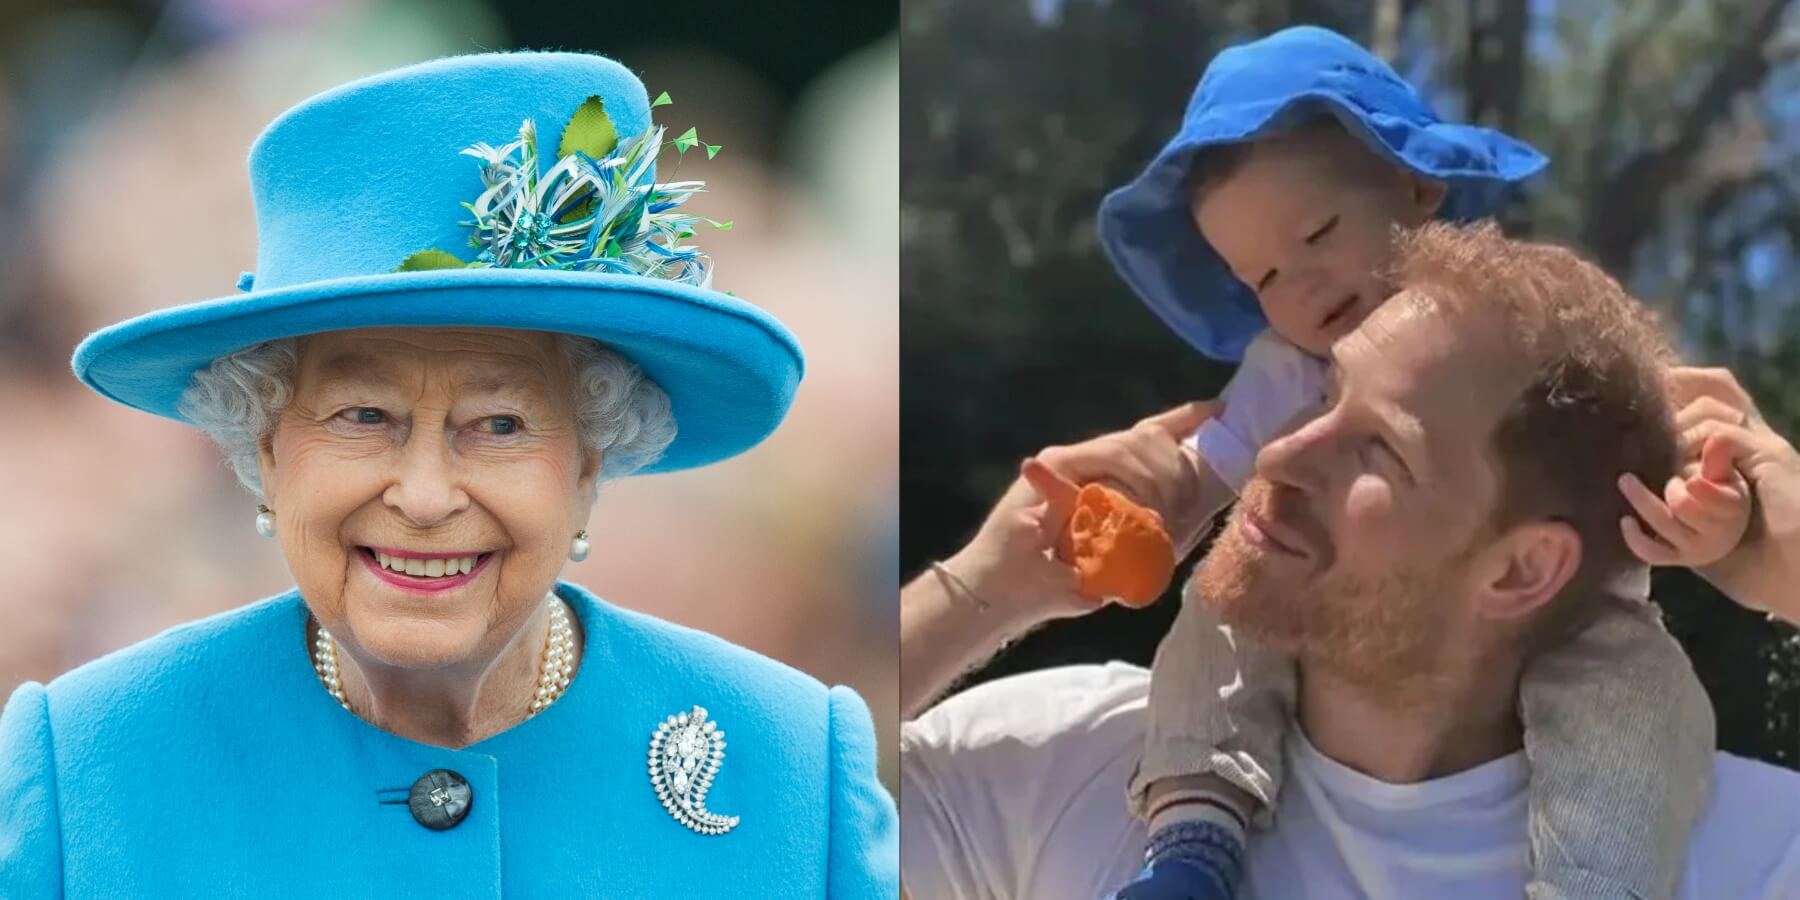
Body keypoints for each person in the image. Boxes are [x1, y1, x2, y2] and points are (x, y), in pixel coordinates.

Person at [0, 52, 896, 898]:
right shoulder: (86, 762)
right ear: (264, 448)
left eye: (499, 425)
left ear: (590, 460)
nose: (425, 496)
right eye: (363, 417)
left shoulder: (790, 764)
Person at [898, 223, 1800, 899]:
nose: (1282, 455)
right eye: (1323, 391)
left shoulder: (1746, 856)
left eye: (1379, 450)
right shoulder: (1069, 761)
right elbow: (755, 796)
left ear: (1522, 570)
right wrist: (985, 587)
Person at [1073, 25, 1725, 900]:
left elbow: (1637, 429)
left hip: (1568, 606)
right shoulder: (1283, 369)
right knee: (1222, 606)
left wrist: (1705, 513)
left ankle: (1596, 882)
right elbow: (1210, 469)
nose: (1298, 286)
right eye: (1261, 275)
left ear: (1418, 183)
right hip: (1357, 618)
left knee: (1640, 689)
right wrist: (1137, 511)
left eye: (1318, 233)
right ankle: (1195, 832)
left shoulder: (1520, 312)